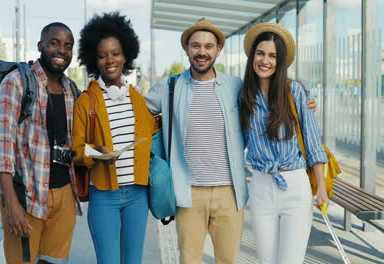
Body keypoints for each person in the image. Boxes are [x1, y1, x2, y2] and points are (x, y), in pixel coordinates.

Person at [145, 18, 247, 264]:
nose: (202, 52)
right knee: (189, 260)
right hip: (187, 193)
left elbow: (267, 104)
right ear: (187, 49)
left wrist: (302, 97)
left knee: (228, 261)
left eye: (208, 46)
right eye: (196, 46)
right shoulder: (169, 86)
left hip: (229, 194)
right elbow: (138, 113)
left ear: (218, 50)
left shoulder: (235, 86)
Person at [0, 22, 81, 264]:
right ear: (40, 46)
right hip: (26, 197)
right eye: (54, 43)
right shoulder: (17, 83)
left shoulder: (71, 89)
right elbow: (1, 147)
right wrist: (11, 205)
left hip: (64, 197)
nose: (62, 50)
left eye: (68, 46)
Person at [239, 22, 329, 264]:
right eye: (260, 53)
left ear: (280, 62)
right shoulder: (244, 96)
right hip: (260, 186)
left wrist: (320, 187)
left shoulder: (295, 92)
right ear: (252, 56)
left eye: (272, 55)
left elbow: (312, 144)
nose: (265, 60)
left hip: (295, 187)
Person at [73, 12, 157, 264]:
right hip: (104, 196)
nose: (110, 60)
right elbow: (76, 150)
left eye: (116, 53)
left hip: (137, 195)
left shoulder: (138, 99)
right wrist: (95, 152)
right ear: (93, 60)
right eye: (102, 55)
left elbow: (152, 132)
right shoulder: (85, 101)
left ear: (126, 55)